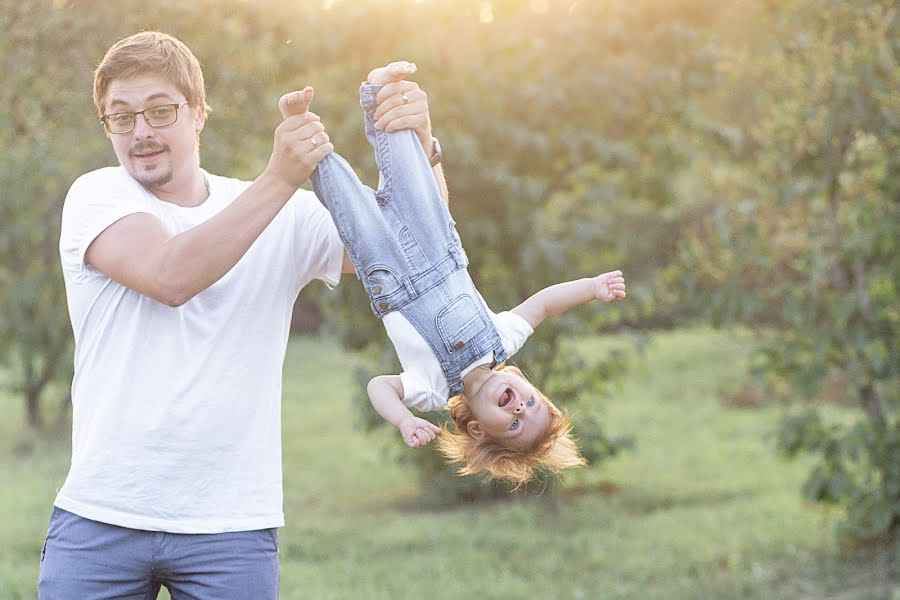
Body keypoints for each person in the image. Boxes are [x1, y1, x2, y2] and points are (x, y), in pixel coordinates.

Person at [41, 32, 445, 598]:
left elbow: (415, 251)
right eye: (121, 117)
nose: (142, 133)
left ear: (199, 113)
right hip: (101, 517)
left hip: (231, 527)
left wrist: (418, 145)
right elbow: (171, 276)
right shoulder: (98, 196)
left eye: (160, 111)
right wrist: (280, 178)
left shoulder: (286, 215)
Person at [282, 61, 627, 487]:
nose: (520, 410)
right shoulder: (501, 341)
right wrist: (592, 288)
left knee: (343, 193)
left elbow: (379, 387)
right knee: (411, 170)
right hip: (437, 240)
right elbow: (543, 305)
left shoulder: (431, 390)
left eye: (516, 425)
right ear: (530, 386)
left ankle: (301, 126)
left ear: (479, 429)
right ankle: (380, 91)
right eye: (533, 404)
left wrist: (405, 420)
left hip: (387, 270)